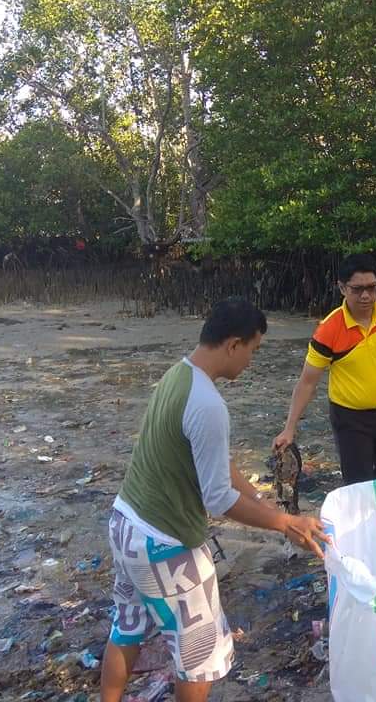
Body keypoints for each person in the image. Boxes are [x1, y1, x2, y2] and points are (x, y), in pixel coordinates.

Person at [100, 299, 328, 702]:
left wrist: (262, 502)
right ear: (233, 345)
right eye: (253, 351)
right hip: (164, 544)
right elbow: (219, 497)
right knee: (200, 656)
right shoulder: (208, 404)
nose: (251, 362)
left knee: (127, 627)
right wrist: (286, 524)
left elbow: (218, 463)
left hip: (125, 525)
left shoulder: (178, 374)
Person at [273, 253, 376, 485]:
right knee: (358, 487)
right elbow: (307, 382)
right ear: (342, 288)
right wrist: (289, 429)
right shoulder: (329, 329)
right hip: (349, 419)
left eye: (371, 288)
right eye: (357, 289)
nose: (365, 295)